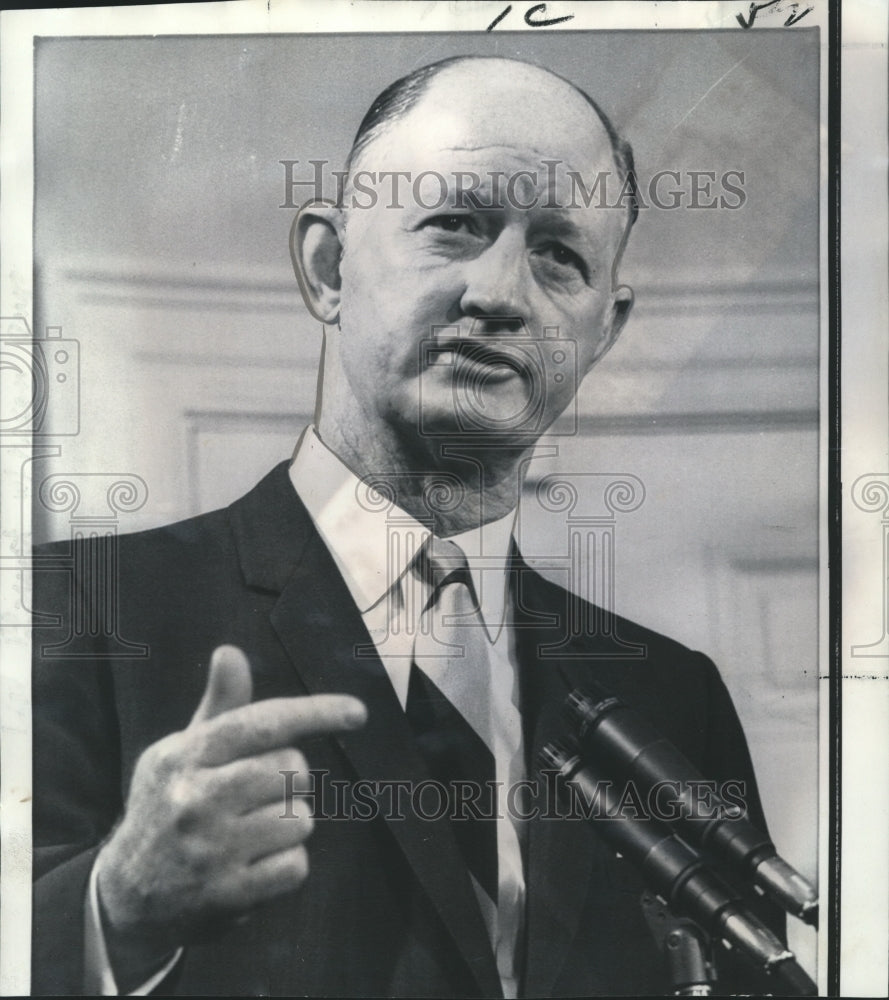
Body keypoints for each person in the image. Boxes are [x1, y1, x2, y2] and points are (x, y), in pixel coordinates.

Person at [31, 55, 782, 996]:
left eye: (560, 254)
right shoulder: (67, 612)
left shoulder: (675, 700)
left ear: (603, 329)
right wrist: (116, 907)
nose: (503, 293)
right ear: (329, 265)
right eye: (455, 223)